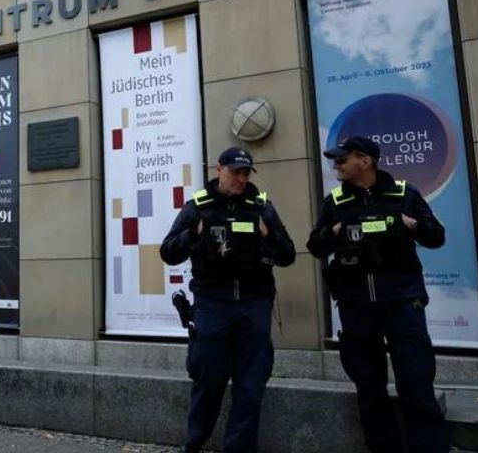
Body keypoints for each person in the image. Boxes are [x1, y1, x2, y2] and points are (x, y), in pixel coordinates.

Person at [307, 136, 448, 453]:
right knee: (369, 386)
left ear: (365, 161)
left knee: (415, 381)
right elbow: (315, 246)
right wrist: (333, 232)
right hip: (356, 305)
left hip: (401, 301)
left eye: (343, 159)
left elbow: (436, 236)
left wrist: (410, 225)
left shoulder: (403, 194)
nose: (336, 165)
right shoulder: (335, 203)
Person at [160, 147, 296, 453]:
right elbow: (169, 252)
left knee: (251, 385)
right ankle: (194, 443)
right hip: (212, 303)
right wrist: (192, 236)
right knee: (209, 379)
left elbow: (287, 254)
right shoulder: (198, 207)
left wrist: (267, 236)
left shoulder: (261, 207)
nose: (241, 178)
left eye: (246, 173)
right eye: (236, 172)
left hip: (254, 303)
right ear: (218, 169)